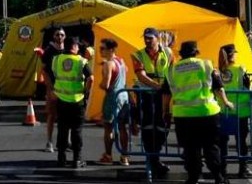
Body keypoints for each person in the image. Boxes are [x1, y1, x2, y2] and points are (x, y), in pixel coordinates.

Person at [162, 41, 233, 184]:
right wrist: (226, 102)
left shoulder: (172, 70)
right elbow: (219, 87)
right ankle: (218, 177)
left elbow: (166, 94)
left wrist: (165, 111)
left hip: (183, 116)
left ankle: (193, 177)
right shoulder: (206, 65)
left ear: (181, 53)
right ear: (196, 52)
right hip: (208, 113)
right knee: (211, 147)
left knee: (190, 148)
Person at [130, 27, 173, 176]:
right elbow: (141, 76)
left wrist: (167, 89)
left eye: (150, 38)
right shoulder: (138, 54)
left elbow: (173, 71)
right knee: (148, 127)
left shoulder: (168, 52)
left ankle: (155, 157)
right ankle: (152, 160)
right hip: (147, 96)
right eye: (145, 38)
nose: (147, 41)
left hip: (164, 96)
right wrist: (158, 86)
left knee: (163, 126)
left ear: (157, 38)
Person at [49, 36, 93, 168]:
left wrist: (54, 90)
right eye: (77, 46)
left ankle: (61, 158)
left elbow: (52, 75)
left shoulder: (56, 59)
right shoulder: (81, 61)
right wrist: (86, 92)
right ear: (74, 47)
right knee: (77, 130)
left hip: (61, 100)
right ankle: (77, 159)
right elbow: (91, 78)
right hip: (77, 100)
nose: (79, 48)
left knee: (62, 129)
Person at [217, 44, 252, 178]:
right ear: (233, 55)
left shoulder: (218, 71)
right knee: (241, 142)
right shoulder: (240, 69)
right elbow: (247, 87)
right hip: (240, 111)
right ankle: (243, 169)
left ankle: (222, 169)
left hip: (223, 110)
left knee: (222, 142)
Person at [98, 38, 130, 166]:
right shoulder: (121, 61)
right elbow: (125, 73)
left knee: (108, 127)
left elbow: (106, 84)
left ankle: (108, 155)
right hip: (123, 95)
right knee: (122, 127)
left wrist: (97, 84)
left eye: (102, 48)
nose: (100, 51)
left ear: (111, 50)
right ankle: (124, 156)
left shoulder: (109, 64)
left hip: (113, 97)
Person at [41, 27, 65, 153]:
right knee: (51, 115)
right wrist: (50, 88)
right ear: (53, 37)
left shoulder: (68, 50)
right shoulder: (49, 51)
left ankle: (67, 141)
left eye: (62, 35)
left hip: (66, 89)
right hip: (53, 88)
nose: (59, 37)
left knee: (66, 116)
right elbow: (44, 70)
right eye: (57, 35)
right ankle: (49, 141)